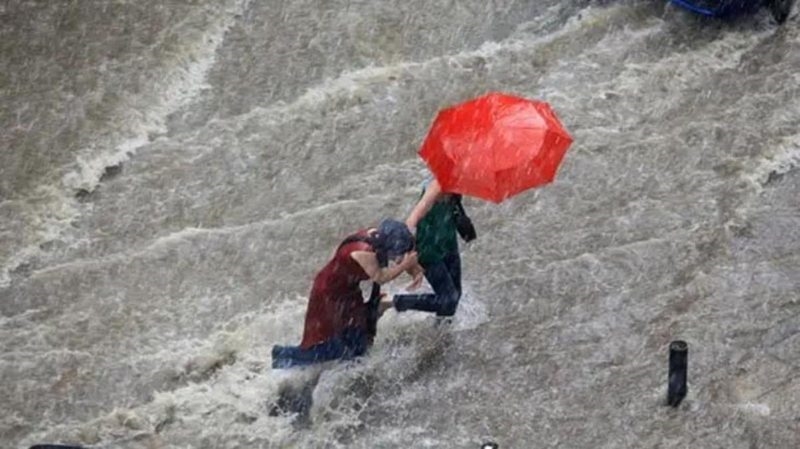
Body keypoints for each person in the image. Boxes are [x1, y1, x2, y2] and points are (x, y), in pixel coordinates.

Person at [271, 218, 418, 369]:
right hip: (330, 294)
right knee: (331, 342)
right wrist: (405, 265)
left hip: (347, 289)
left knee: (357, 334)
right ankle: (284, 356)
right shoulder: (364, 252)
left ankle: (353, 363)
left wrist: (413, 269)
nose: (396, 258)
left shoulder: (377, 237)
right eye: (395, 253)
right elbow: (381, 277)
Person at [384, 178, 476, 320]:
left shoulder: (457, 184)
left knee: (455, 296)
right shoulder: (436, 187)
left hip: (448, 244)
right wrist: (410, 263)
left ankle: (443, 336)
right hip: (428, 250)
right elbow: (411, 221)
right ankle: (391, 302)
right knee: (448, 299)